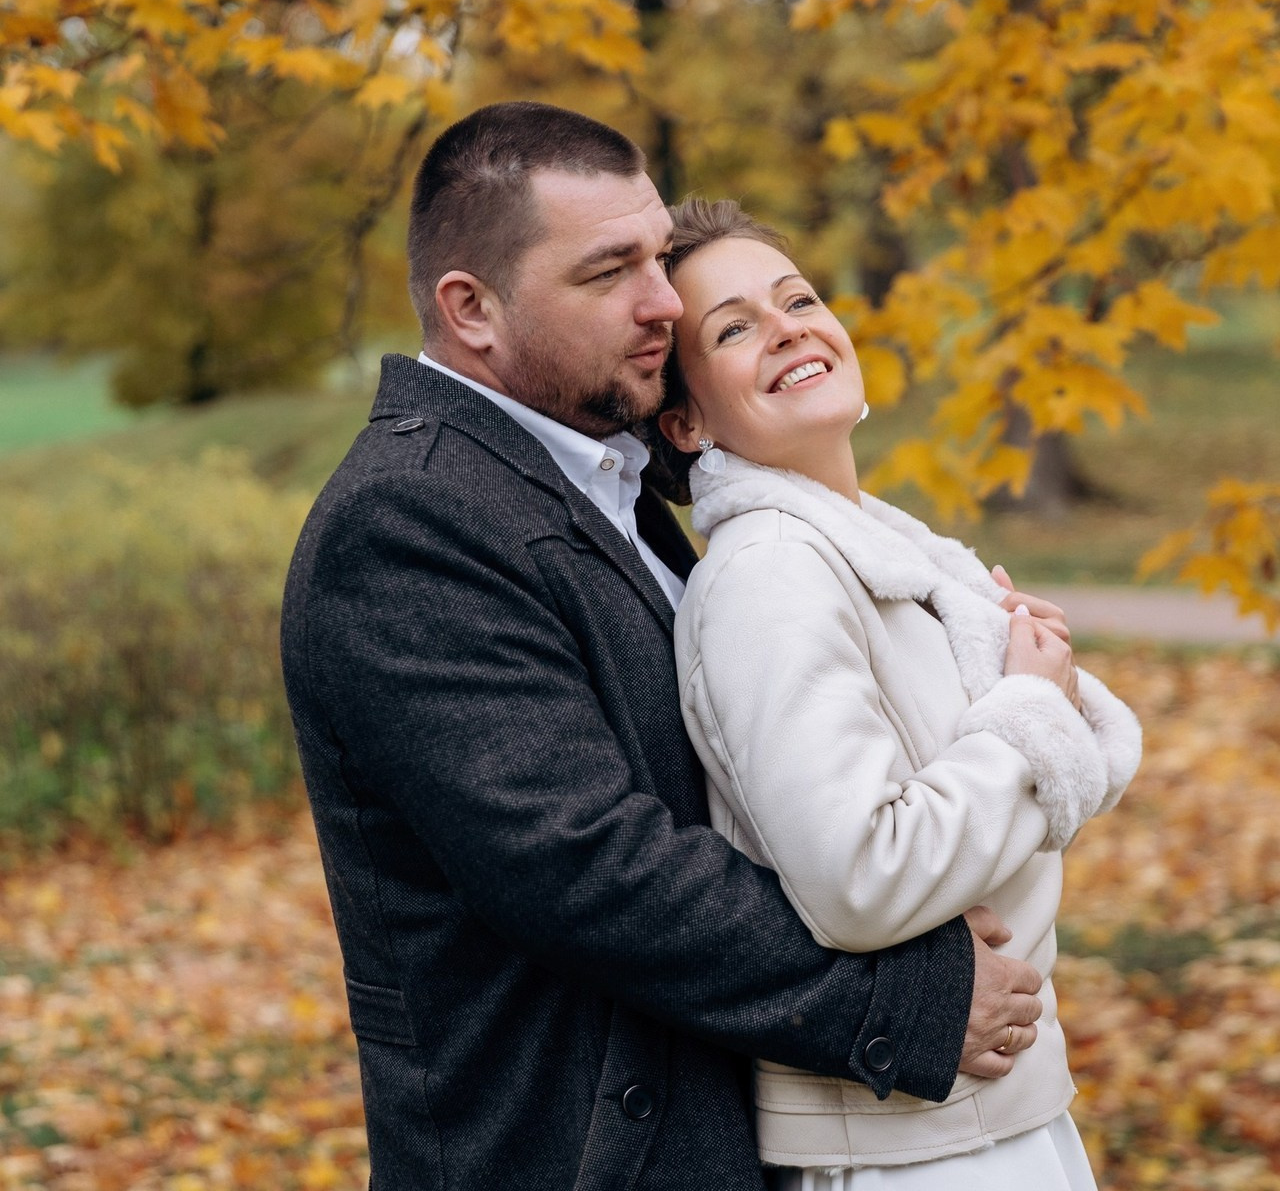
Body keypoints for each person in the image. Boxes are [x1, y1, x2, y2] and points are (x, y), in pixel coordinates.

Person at [280, 102, 1048, 1191]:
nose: (660, 301)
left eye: (655, 255)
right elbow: (581, 861)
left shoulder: (598, 479)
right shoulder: (406, 520)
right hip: (563, 1152)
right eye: (608, 272)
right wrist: (897, 999)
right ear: (471, 308)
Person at [648, 197, 1143, 1190]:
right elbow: (860, 875)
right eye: (733, 327)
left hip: (991, 1114)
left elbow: (1058, 772)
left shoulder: (881, 545)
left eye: (798, 297)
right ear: (687, 420)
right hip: (912, 1146)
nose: (787, 325)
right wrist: (1026, 714)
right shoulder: (769, 576)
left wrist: (1038, 688)